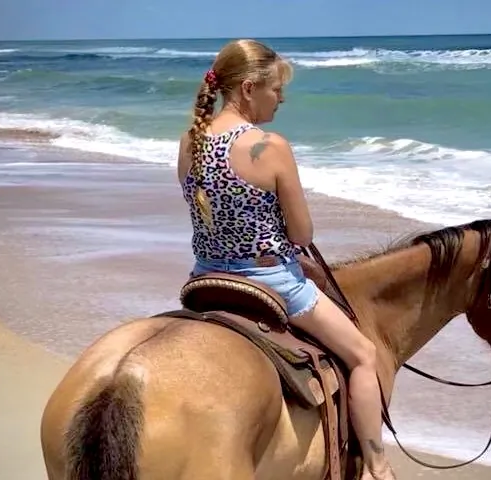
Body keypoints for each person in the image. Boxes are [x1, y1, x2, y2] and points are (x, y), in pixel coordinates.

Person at [177, 39, 396, 480]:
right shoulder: (269, 145)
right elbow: (302, 234)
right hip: (272, 282)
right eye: (276, 90)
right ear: (248, 89)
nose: (282, 99)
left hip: (205, 277)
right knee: (364, 355)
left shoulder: (190, 141)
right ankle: (377, 467)